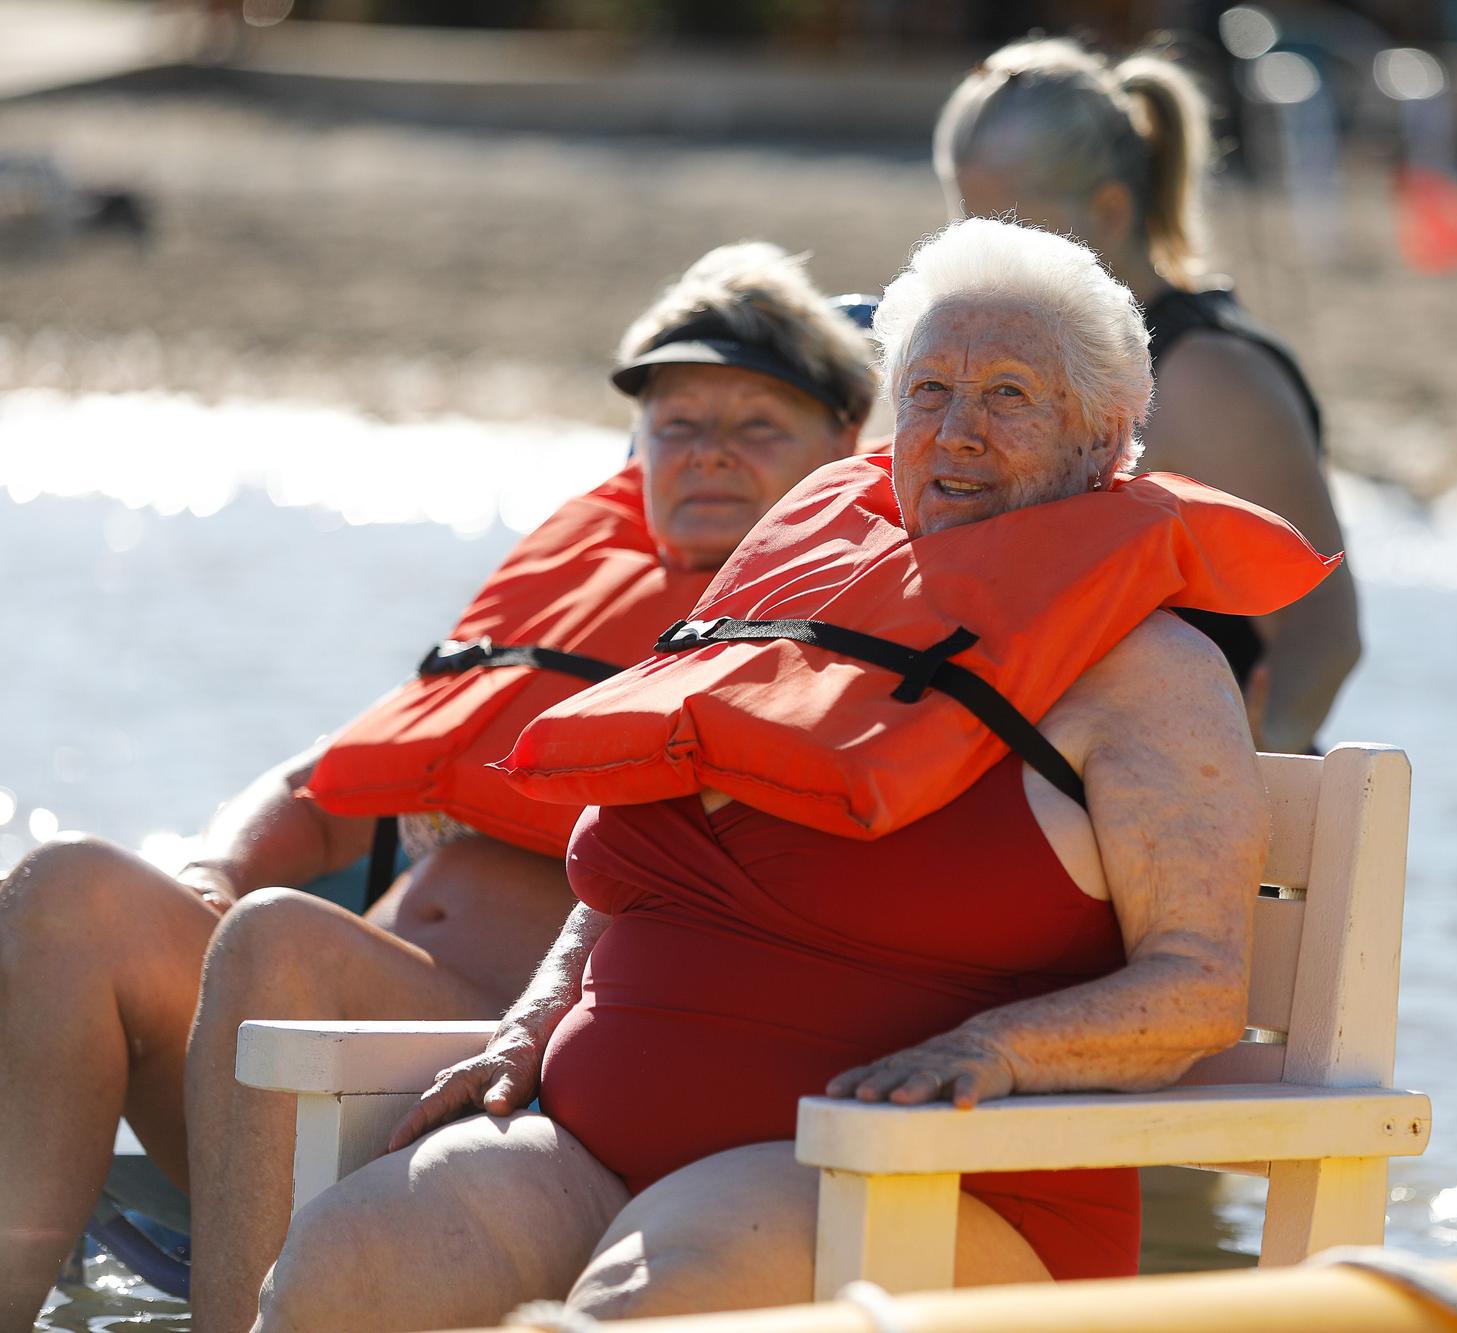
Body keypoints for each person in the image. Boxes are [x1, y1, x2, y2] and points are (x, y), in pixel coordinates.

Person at [248, 217, 1333, 1331]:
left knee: (645, 1297)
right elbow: (635, 878)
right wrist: (530, 1023)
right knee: (342, 1266)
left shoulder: (1148, 675)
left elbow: (1197, 986)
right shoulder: (798, 607)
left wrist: (989, 1049)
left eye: (1009, 395)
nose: (956, 431)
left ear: (1104, 441)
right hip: (586, 1141)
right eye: (926, 392)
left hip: (902, 1173)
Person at [0, 242, 875, 1333]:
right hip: (306, 1031)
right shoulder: (568, 583)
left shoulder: (836, 619)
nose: (708, 456)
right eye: (678, 425)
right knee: (66, 887)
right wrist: (213, 868)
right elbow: (331, 779)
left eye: (756, 427)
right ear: (637, 445)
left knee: (280, 941)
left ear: (843, 442)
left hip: (501, 1077)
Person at [933, 36, 1362, 753]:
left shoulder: (1208, 377)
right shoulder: (983, 366)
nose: (982, 256)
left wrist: (1239, 798)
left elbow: (1325, 635)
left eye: (1007, 227)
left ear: (1107, 213)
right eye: (961, 222)